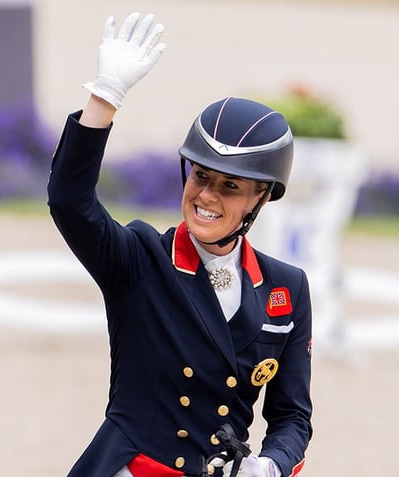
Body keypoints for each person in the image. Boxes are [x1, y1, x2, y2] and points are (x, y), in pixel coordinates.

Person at [47, 12, 313, 477]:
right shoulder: (140, 258)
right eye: (201, 176)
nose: (206, 196)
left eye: (230, 186)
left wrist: (270, 465)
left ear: (261, 197)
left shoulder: (286, 289)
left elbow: (292, 416)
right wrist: (104, 98)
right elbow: (70, 202)